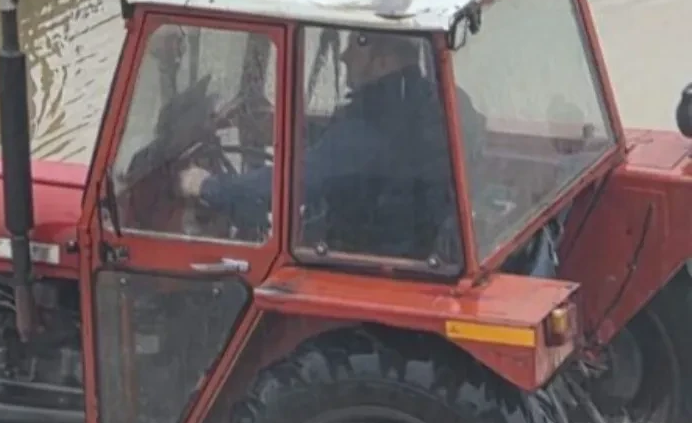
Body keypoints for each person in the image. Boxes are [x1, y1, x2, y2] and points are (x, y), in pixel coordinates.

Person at [179, 30, 485, 261]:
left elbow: (293, 183)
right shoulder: (441, 101)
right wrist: (287, 128)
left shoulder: (368, 130)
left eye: (356, 45)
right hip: (418, 237)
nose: (344, 56)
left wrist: (208, 186)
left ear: (384, 61)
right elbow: (352, 151)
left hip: (369, 254)